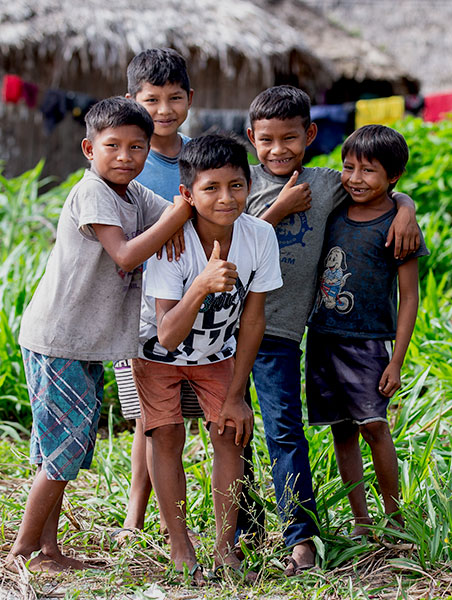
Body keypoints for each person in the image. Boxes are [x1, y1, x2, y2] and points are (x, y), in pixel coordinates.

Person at [9, 97, 191, 573]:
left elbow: (176, 207)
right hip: (60, 338)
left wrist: (178, 213)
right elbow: (126, 255)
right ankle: (21, 552)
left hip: (85, 341)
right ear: (90, 148)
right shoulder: (93, 192)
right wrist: (173, 221)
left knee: (64, 449)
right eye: (113, 146)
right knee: (64, 452)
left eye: (137, 147)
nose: (126, 156)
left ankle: (48, 551)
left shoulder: (133, 195)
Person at [244, 85, 420, 575]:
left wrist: (405, 207)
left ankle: (307, 534)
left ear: (310, 135)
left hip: (283, 333)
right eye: (267, 139)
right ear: (252, 138)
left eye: (290, 138)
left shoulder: (326, 185)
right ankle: (241, 528)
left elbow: (382, 183)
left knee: (288, 431)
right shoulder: (238, 182)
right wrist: (279, 207)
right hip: (230, 332)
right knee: (231, 432)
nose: (278, 149)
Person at [133, 134, 282, 582]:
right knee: (167, 437)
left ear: (250, 185)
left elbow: (253, 322)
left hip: (218, 353)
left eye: (236, 186)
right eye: (211, 188)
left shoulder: (260, 235)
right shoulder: (172, 242)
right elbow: (167, 333)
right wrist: (200, 284)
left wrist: (237, 395)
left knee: (229, 434)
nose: (226, 198)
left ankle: (224, 549)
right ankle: (181, 548)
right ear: (187, 195)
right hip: (157, 354)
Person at [305, 124, 429, 538]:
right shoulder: (334, 211)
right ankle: (361, 520)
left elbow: (408, 298)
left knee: (374, 426)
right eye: (348, 167)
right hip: (323, 336)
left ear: (393, 177)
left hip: (368, 343)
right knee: (342, 429)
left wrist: (397, 360)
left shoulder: (399, 225)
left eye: (368, 170)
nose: (355, 178)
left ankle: (393, 519)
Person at [111, 47, 204, 544]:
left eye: (173, 98)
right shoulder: (128, 158)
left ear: (190, 98)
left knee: (179, 417)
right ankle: (136, 512)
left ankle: (168, 513)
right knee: (150, 415)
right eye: (151, 100)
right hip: (138, 306)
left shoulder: (198, 156)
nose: (163, 110)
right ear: (132, 100)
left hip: (194, 306)